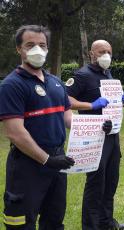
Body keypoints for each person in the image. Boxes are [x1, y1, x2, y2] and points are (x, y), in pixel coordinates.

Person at [0, 25, 76, 230]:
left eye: (42, 45)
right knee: (21, 224)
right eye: (30, 45)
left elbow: (66, 115)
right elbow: (15, 132)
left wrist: (94, 126)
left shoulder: (56, 83)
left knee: (54, 220)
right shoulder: (11, 85)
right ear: (19, 49)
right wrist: (46, 160)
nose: (37, 50)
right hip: (27, 164)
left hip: (58, 160)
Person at [66, 40, 124, 230]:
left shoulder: (108, 73)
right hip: (94, 138)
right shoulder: (82, 75)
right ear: (91, 53)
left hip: (112, 135)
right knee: (95, 185)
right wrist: (91, 105)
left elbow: (111, 100)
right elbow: (65, 98)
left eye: (109, 51)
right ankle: (91, 227)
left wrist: (120, 97)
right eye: (101, 51)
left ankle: (106, 222)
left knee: (111, 181)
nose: (106, 55)